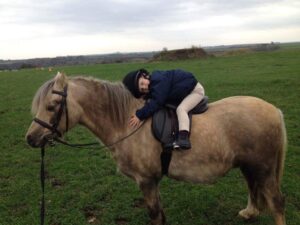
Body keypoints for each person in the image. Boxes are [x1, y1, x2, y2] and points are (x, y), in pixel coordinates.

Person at [122, 69, 205, 150]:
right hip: (183, 90)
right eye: (142, 89)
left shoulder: (159, 80)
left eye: (142, 83)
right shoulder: (154, 83)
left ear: (144, 76)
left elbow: (157, 101)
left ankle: (183, 137)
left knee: (181, 109)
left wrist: (140, 115)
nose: (145, 87)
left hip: (194, 91)